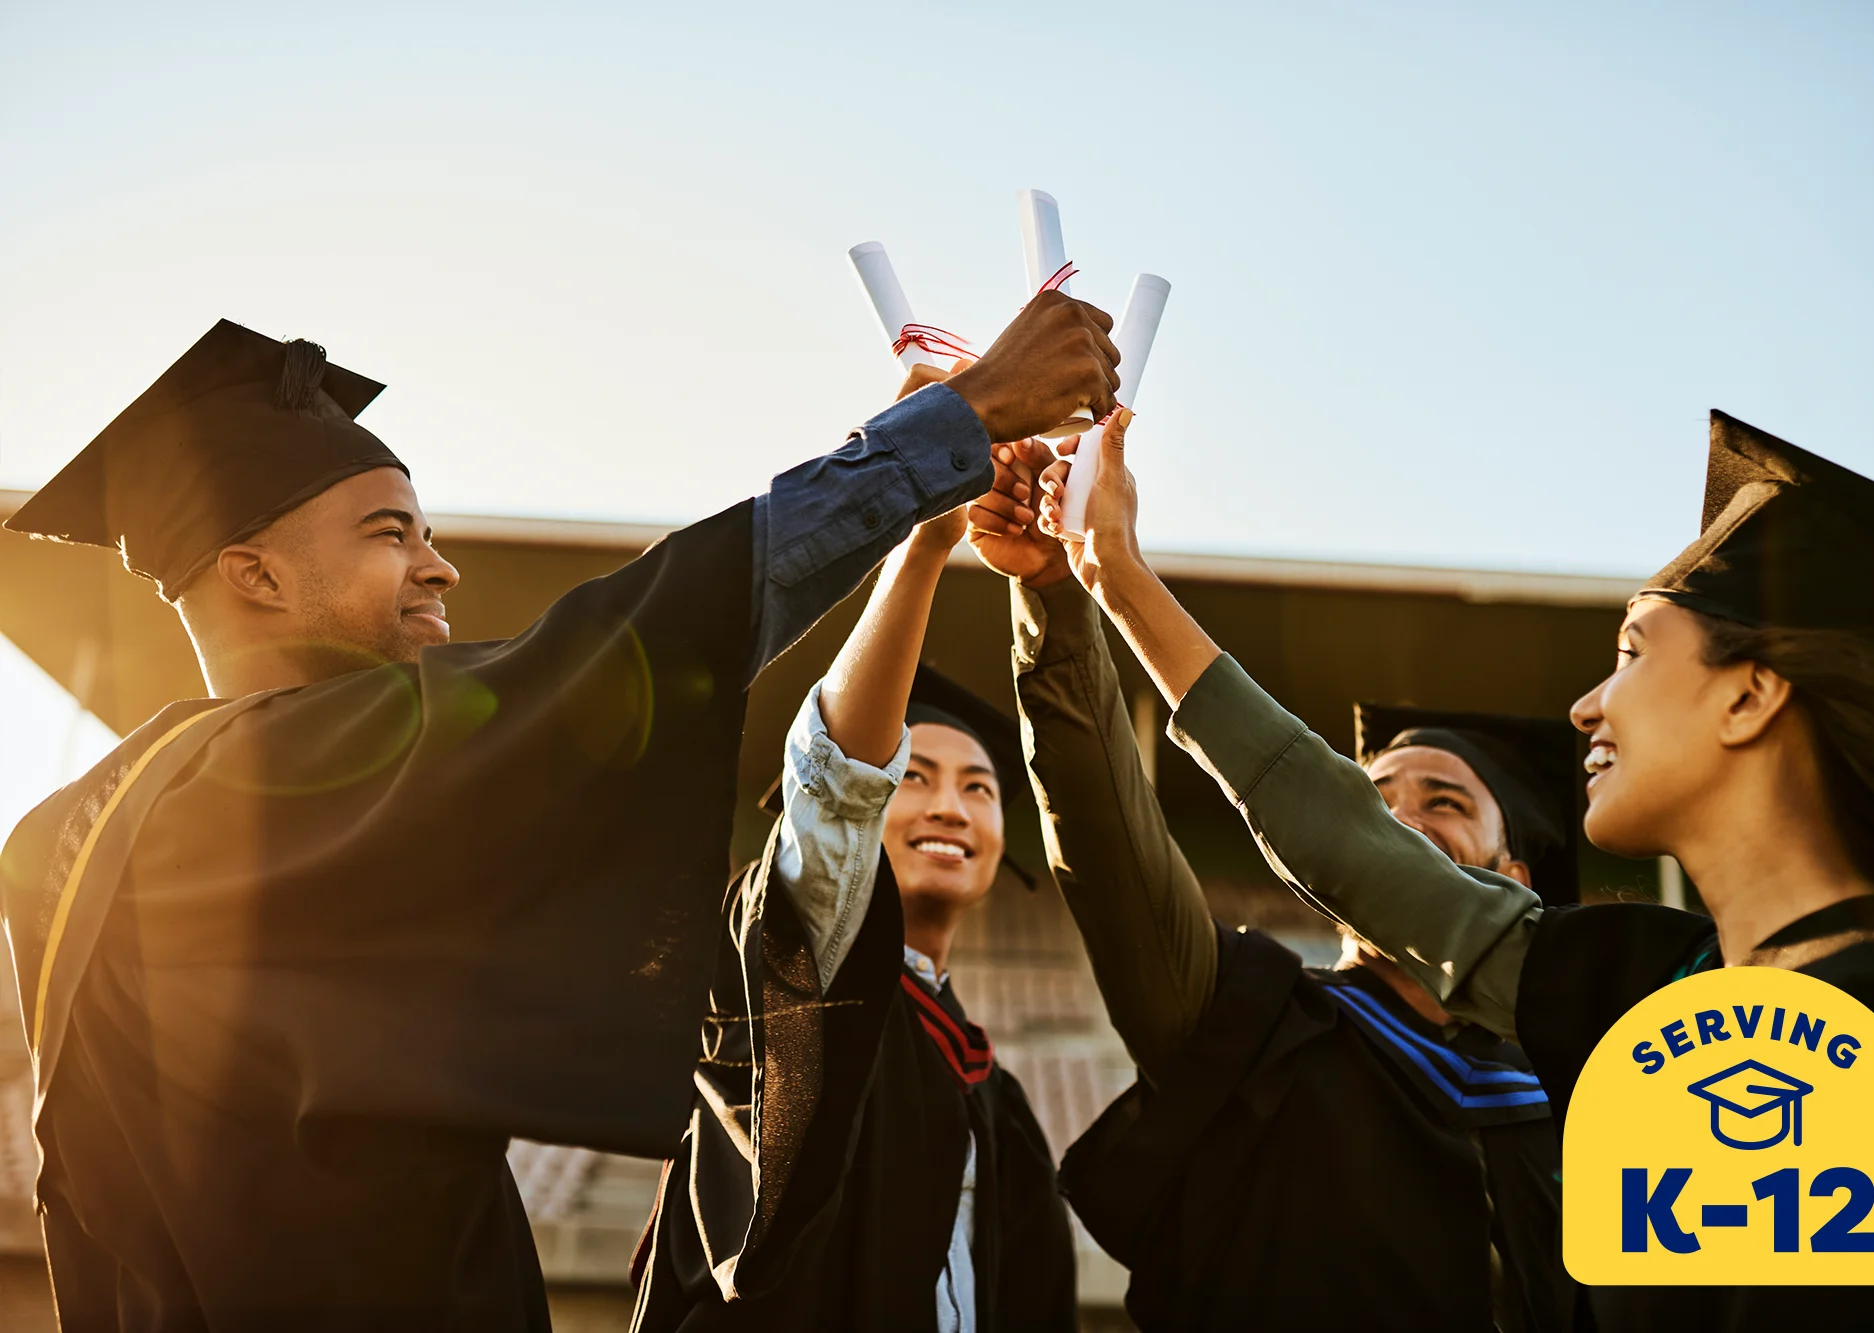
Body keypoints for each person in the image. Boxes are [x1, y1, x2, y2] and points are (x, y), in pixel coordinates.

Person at [0, 300, 1117, 1331]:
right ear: (254, 574)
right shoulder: (296, 772)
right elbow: (646, 630)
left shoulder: (58, 840)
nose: (438, 566)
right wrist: (947, 429)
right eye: (390, 533)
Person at [1036, 409, 1874, 1328]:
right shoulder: (1652, 992)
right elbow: (1349, 845)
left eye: (1630, 652)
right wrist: (1108, 573)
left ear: (1749, 696)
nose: (1587, 705)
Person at [968, 463, 1575, 1328]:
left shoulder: (1579, 1094)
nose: (1395, 819)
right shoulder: (1253, 1021)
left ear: (1514, 879)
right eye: (1376, 796)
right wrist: (1055, 600)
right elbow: (1109, 841)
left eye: (1444, 801)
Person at [631, 414, 1074, 1328]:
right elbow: (833, 798)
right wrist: (925, 546)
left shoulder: (1000, 1097)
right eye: (915, 776)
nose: (950, 805)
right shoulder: (801, 985)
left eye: (980, 787)